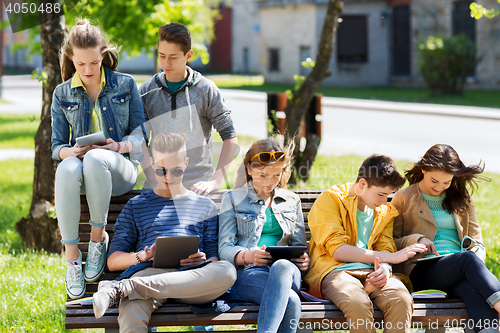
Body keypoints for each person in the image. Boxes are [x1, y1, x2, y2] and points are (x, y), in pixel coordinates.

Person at [92, 132, 236, 333]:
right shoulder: (136, 206)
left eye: (176, 171)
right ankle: (128, 289)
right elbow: (113, 261)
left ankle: (123, 289)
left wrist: (202, 259)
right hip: (150, 274)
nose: (168, 178)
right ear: (151, 163)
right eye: (161, 170)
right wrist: (141, 256)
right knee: (131, 311)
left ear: (186, 163)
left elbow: (213, 258)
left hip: (192, 279)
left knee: (227, 271)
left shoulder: (205, 206)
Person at [51, 19, 146, 299]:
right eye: (81, 64)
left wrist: (117, 146)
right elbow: (56, 147)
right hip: (82, 173)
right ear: (71, 59)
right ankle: (71, 258)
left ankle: (97, 240)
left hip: (120, 170)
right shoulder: (62, 92)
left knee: (97, 159)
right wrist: (72, 152)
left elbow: (141, 136)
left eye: (94, 62)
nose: (89, 70)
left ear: (103, 54)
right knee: (68, 167)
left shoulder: (126, 85)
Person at [305, 155, 427, 333]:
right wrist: (390, 258)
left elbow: (384, 247)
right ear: (362, 184)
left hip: (372, 271)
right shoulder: (331, 200)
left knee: (401, 299)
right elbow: (337, 250)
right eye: (381, 194)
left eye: (388, 195)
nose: (384, 201)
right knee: (358, 303)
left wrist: (385, 268)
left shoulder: (384, 212)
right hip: (334, 271)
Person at [392, 144, 500, 333]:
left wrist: (476, 253)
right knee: (466, 260)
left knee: (469, 287)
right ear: (423, 169)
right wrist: (417, 241)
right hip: (420, 270)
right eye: (434, 180)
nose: (439, 187)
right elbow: (390, 242)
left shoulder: (462, 198)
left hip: (460, 269)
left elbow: (477, 241)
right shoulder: (404, 197)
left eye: (446, 182)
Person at [218, 139, 310, 333]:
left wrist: (303, 260)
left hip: (287, 273)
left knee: (283, 265)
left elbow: (299, 245)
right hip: (249, 273)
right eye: (263, 175)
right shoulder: (233, 199)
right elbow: (224, 247)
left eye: (277, 174)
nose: (270, 181)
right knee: (291, 301)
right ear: (249, 170)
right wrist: (248, 256)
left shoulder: (291, 201)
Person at [139, 22, 238, 196]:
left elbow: (230, 138)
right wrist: (153, 180)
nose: (166, 63)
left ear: (188, 55)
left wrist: (216, 181)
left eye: (173, 57)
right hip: (158, 185)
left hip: (197, 186)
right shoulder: (147, 90)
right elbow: (140, 141)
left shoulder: (206, 89)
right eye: (161, 56)